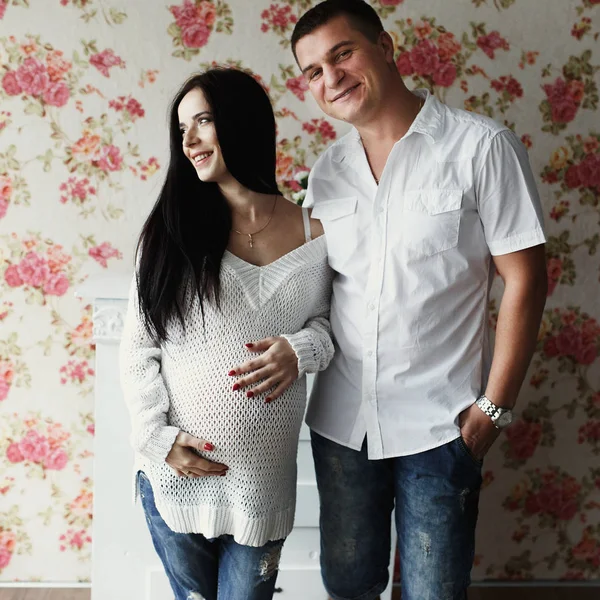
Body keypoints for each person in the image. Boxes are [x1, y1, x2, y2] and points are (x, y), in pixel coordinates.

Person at [290, 2, 548, 599]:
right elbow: (320, 293)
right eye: (312, 72)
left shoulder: (482, 147)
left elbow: (527, 279)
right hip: (341, 426)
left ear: (385, 46)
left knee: (434, 593)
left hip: (443, 425)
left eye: (342, 53)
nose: (331, 78)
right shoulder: (325, 174)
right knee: (348, 587)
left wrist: (496, 408)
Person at [119, 68, 334, 600]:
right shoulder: (170, 232)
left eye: (203, 121)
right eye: (182, 128)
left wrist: (299, 350)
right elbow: (138, 349)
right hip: (177, 473)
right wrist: (158, 439)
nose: (188, 140)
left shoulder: (317, 232)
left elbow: (331, 327)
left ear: (242, 123)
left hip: (262, 483)